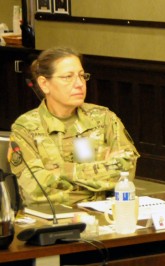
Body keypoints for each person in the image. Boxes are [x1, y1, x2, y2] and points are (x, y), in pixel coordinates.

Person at [10, 47, 139, 206]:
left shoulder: (104, 118)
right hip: (52, 221)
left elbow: (125, 172)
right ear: (44, 84)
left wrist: (62, 172)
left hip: (105, 215)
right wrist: (99, 177)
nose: (79, 84)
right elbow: (36, 190)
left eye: (81, 75)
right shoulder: (26, 128)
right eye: (68, 77)